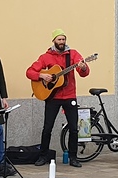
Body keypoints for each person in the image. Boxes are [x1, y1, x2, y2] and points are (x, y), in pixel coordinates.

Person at [27, 29, 90, 168]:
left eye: (63, 39)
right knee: (47, 128)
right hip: (53, 97)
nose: (62, 42)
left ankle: (73, 157)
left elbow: (83, 73)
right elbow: (29, 72)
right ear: (54, 41)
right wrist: (42, 76)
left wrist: (83, 67)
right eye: (59, 39)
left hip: (69, 95)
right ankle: (43, 156)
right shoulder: (45, 57)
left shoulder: (73, 54)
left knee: (73, 128)